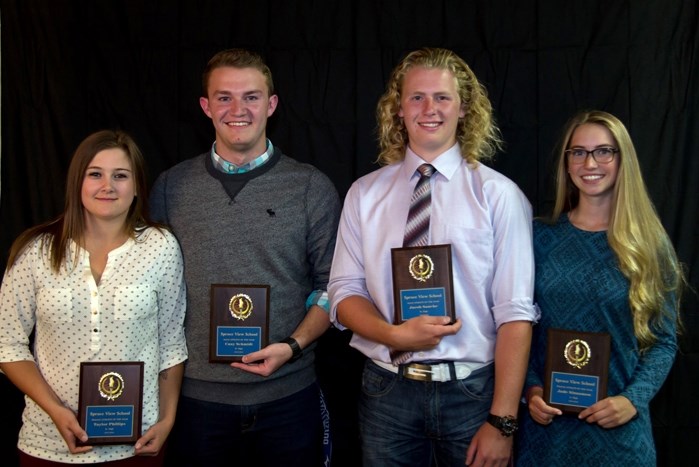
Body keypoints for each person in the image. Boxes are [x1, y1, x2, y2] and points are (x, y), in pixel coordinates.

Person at [328, 47, 537, 466]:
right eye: (417, 97)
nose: (429, 109)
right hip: (386, 391)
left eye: (442, 97)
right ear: (398, 109)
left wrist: (503, 421)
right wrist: (392, 336)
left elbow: (514, 312)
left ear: (463, 109)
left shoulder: (499, 195)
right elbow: (343, 292)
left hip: (473, 395)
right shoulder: (364, 194)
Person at [149, 48, 341, 466]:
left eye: (251, 97)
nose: (238, 109)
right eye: (224, 97)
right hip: (196, 401)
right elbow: (153, 291)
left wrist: (293, 346)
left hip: (288, 397)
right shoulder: (171, 188)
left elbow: (333, 288)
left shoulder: (309, 187)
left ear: (271, 105)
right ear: (205, 106)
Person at [0, 130, 187, 465]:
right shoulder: (35, 251)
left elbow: (171, 343)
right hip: (48, 443)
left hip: (138, 444)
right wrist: (56, 411)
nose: (108, 186)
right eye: (95, 174)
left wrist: (167, 420)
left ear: (136, 186)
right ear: (77, 182)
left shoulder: (160, 247)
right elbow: (7, 344)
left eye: (120, 176)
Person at [516, 110, 685, 465]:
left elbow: (663, 341)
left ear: (623, 159)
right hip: (546, 436)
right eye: (578, 152)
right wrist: (531, 390)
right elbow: (519, 329)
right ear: (567, 162)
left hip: (618, 437)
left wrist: (631, 400)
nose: (590, 162)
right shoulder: (537, 237)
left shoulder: (650, 245)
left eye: (604, 151)